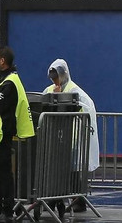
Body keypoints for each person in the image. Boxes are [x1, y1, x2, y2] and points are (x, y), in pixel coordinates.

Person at [0, 46, 35, 223]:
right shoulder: (2, 80)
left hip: (3, 133)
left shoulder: (10, 83)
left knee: (3, 173)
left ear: (3, 60)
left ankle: (7, 210)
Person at [42, 58, 98, 214]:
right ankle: (64, 199)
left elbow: (84, 110)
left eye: (56, 78)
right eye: (52, 79)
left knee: (71, 171)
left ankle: (76, 201)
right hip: (57, 137)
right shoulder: (50, 90)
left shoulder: (75, 91)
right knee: (61, 170)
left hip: (71, 136)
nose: (55, 81)